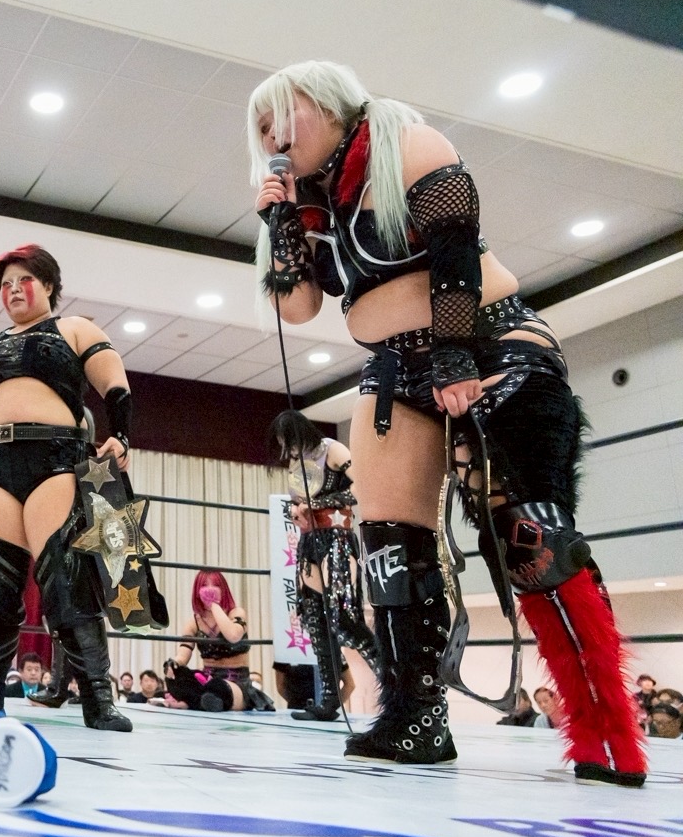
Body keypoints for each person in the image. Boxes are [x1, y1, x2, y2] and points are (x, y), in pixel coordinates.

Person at [247, 61, 646, 785]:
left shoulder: (406, 143)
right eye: (262, 126)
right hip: (396, 365)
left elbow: (457, 245)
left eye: (283, 114)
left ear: (330, 106)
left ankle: (609, 729)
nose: (273, 134)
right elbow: (298, 306)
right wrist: (279, 222)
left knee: (531, 541)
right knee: (388, 547)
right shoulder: (312, 201)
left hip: (490, 344)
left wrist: (455, 355)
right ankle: (414, 717)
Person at [0, 245, 133, 732]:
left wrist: (121, 433)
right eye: (5, 284)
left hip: (56, 458)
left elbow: (115, 385)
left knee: (66, 576)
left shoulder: (76, 330)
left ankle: (98, 699)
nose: (13, 290)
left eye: (23, 280)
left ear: (49, 285)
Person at [269, 410, 379, 721]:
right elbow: (297, 501)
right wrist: (296, 510)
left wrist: (316, 504)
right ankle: (330, 697)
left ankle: (393, 684)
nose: (286, 448)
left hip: (336, 538)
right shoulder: (296, 462)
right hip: (310, 541)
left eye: (287, 440)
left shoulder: (332, 450)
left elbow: (361, 486)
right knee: (315, 618)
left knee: (343, 618)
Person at [166, 571, 274, 713]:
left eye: (215, 585)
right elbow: (183, 654)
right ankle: (201, 700)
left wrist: (214, 605)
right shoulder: (194, 623)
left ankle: (192, 701)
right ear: (197, 590)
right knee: (179, 676)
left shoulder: (236, 613)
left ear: (223, 589)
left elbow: (233, 635)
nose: (209, 589)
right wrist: (174, 665)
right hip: (207, 679)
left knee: (218, 687)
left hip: (236, 684)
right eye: (204, 585)